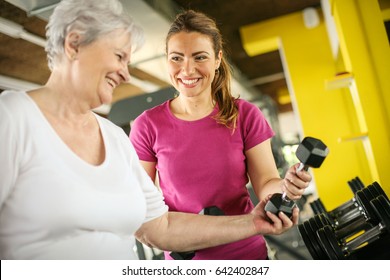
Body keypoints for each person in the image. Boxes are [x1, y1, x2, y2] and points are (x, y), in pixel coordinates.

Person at [0, 0, 298, 260]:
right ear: (74, 44)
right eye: (119, 56)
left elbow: (157, 226)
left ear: (218, 59)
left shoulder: (113, 137)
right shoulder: (13, 118)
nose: (126, 73)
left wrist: (262, 214)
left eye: (200, 57)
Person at [130, 9, 312, 260]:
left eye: (200, 57)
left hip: (246, 254)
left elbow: (267, 183)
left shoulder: (245, 115)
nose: (187, 69)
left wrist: (285, 186)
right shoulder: (146, 126)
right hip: (186, 261)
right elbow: (143, 208)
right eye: (176, 58)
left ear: (217, 59)